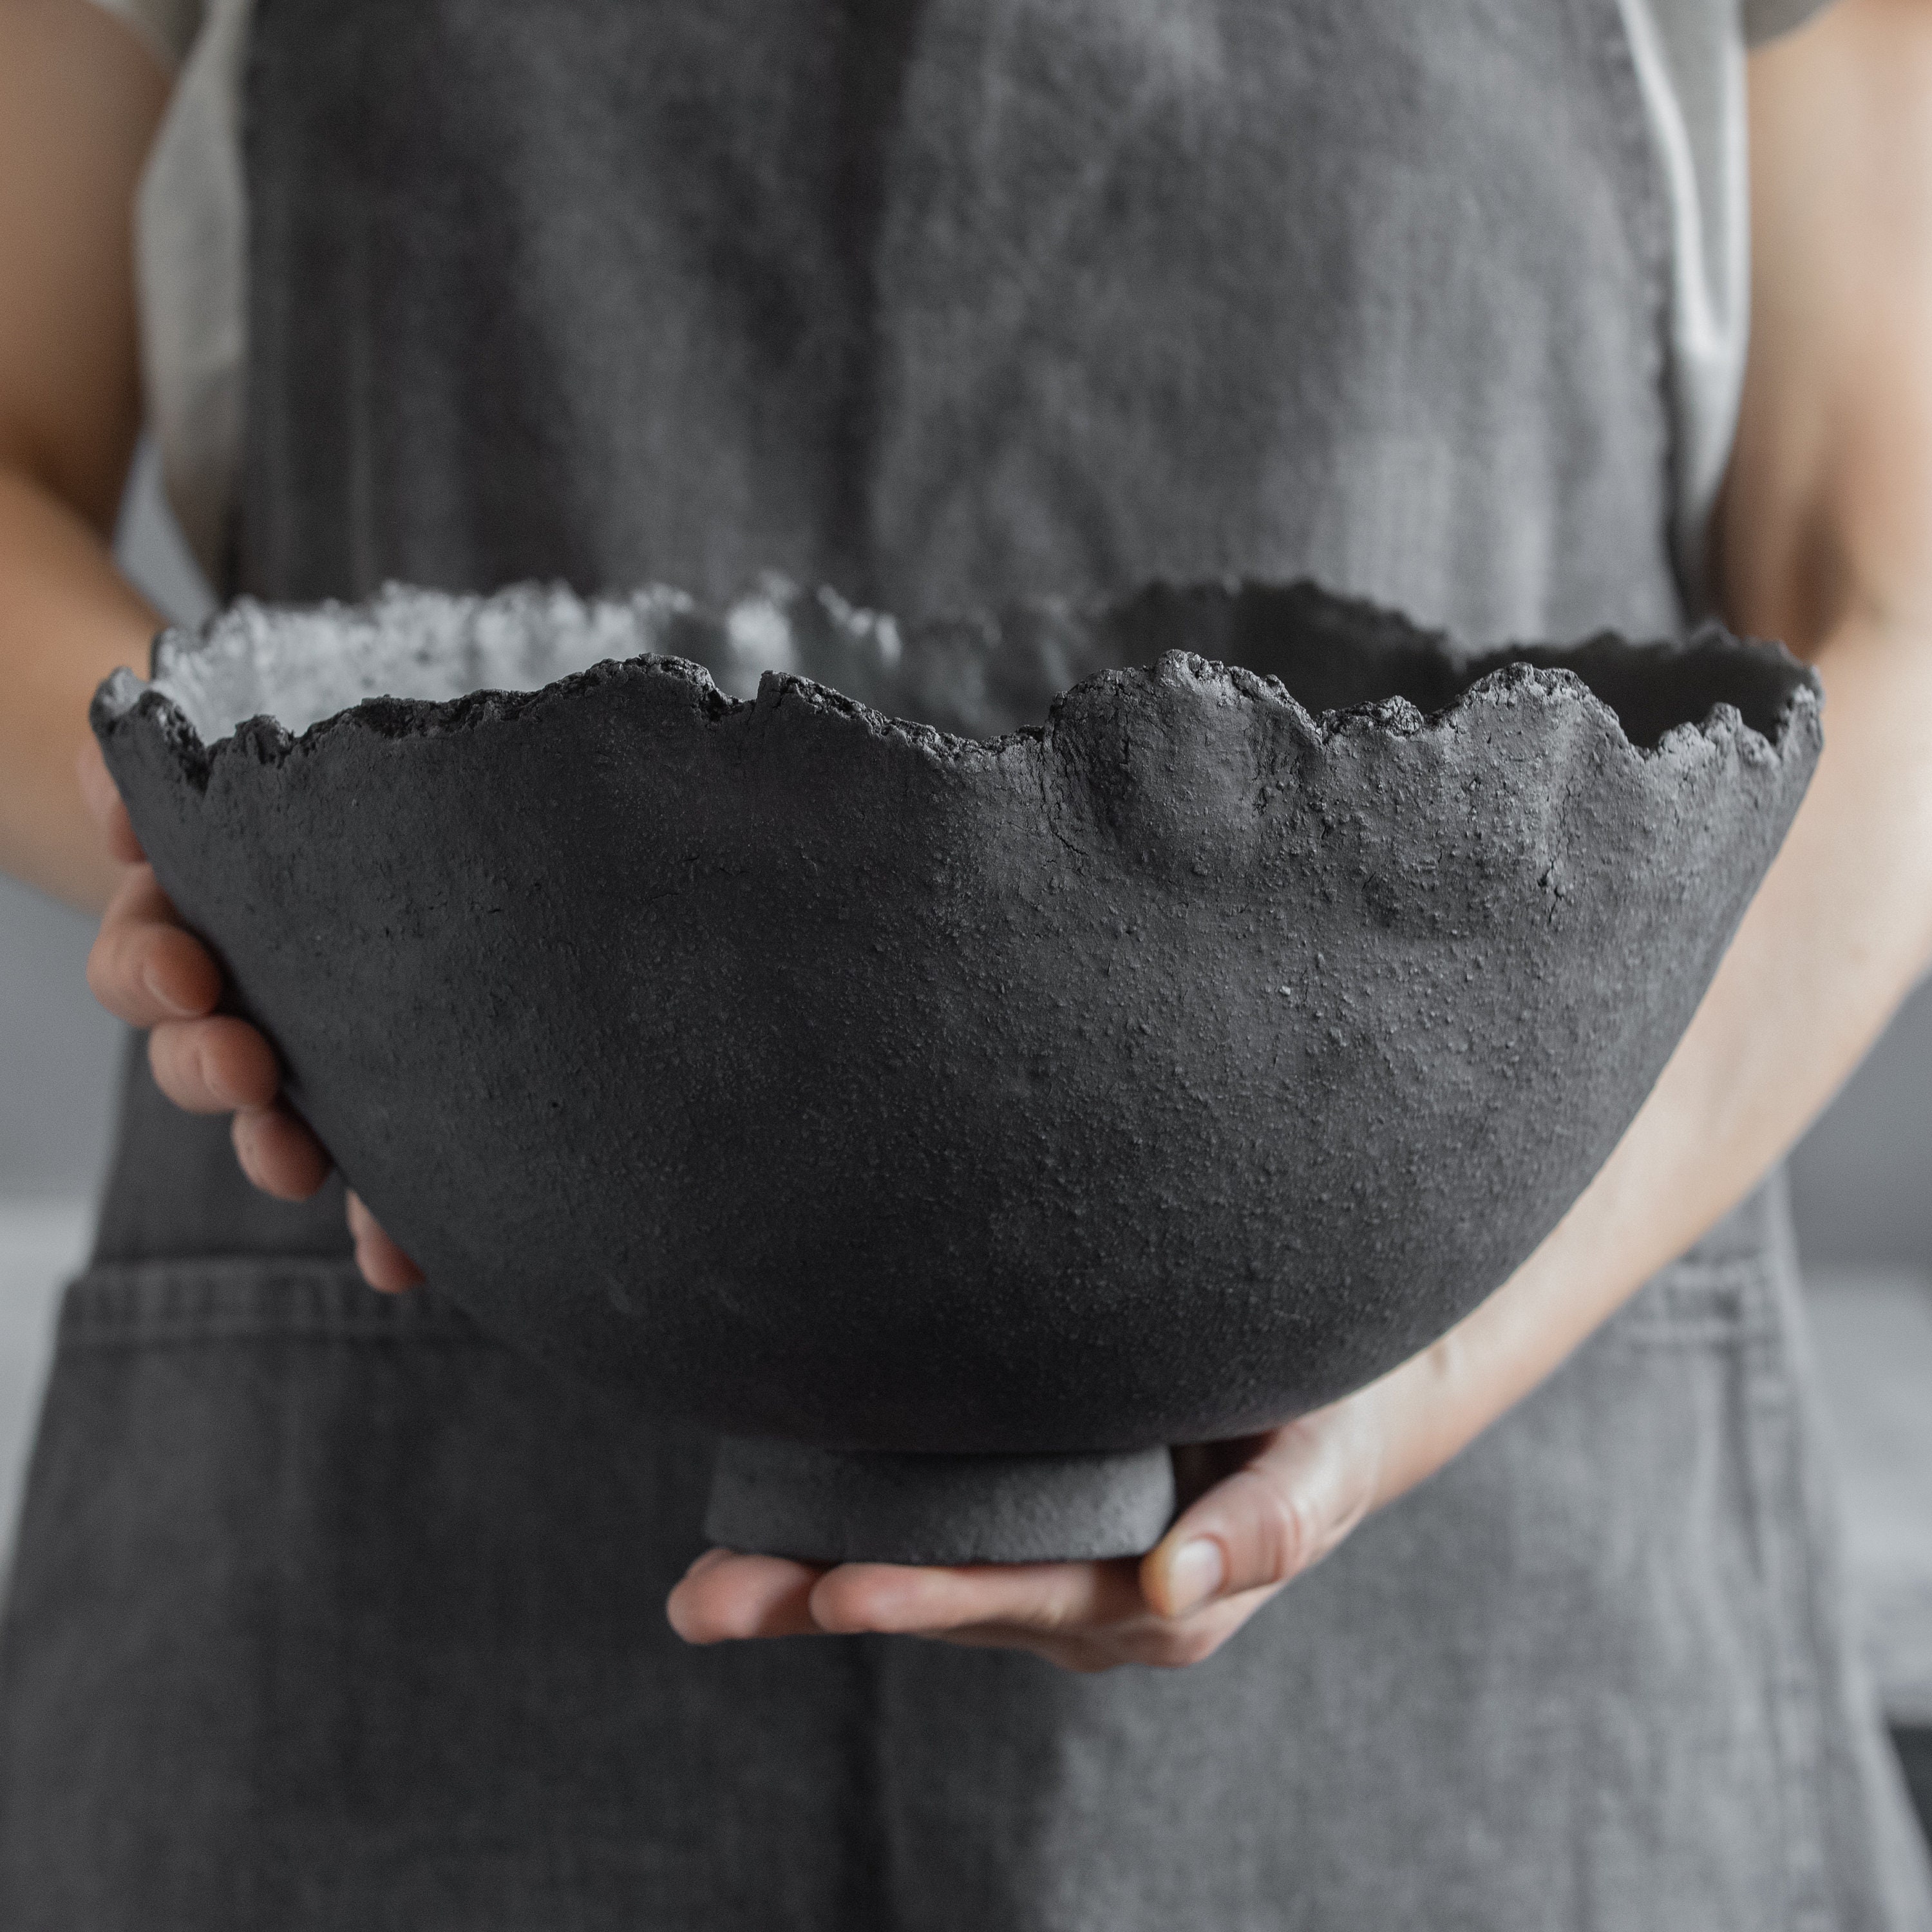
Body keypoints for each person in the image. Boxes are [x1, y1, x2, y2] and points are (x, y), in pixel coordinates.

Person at [1, 0, 1929, 1923]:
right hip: (389, 1505)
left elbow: (1901, 615)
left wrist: (1447, 1365)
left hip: (1505, 1599)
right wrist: (287, 903)